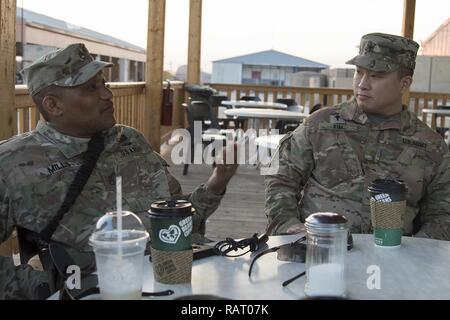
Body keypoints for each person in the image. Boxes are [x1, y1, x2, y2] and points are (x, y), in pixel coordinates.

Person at [0, 43, 238, 299]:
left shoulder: (130, 140)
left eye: (105, 84)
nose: (106, 95)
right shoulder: (13, 163)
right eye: (91, 88)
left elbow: (176, 219)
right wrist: (49, 286)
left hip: (180, 275)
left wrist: (216, 182)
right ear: (53, 105)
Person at [265, 33, 450, 240]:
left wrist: (413, 254)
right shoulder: (320, 124)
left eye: (376, 76)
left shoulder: (430, 145)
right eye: (359, 72)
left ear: (404, 83)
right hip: (320, 253)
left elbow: (442, 214)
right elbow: (280, 180)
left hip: (394, 262)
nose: (362, 84)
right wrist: (289, 226)